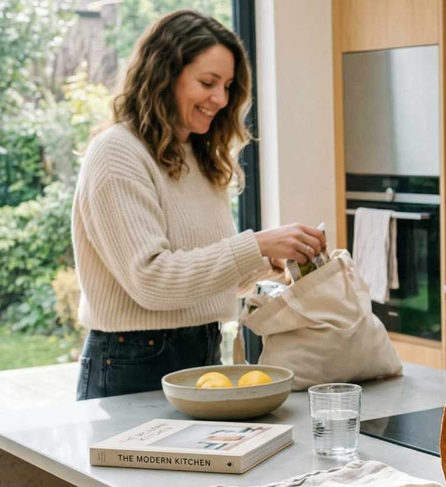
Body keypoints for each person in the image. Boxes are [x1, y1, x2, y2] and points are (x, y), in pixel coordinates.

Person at [72, 10, 324, 400]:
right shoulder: (117, 153)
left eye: (227, 86)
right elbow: (152, 282)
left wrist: (271, 263)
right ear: (164, 75)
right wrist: (256, 245)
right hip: (132, 360)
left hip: (203, 352)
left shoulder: (196, 154)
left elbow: (202, 274)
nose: (220, 99)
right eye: (208, 83)